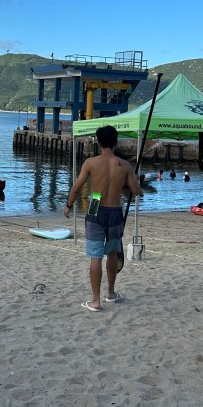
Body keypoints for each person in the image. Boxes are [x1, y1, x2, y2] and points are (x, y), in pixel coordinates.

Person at [63, 125, 142, 312]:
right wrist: (134, 178)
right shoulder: (124, 165)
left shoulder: (90, 163)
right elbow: (136, 191)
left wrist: (69, 206)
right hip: (115, 211)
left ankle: (95, 301)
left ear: (98, 142)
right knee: (112, 252)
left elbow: (76, 187)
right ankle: (110, 293)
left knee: (95, 256)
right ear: (115, 142)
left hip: (94, 210)